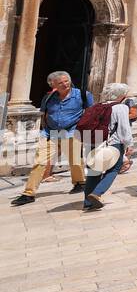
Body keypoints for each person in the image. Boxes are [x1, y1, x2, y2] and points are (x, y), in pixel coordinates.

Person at [12, 71, 92, 206]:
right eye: (60, 83)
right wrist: (44, 130)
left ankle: (79, 182)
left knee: (76, 160)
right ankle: (28, 193)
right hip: (50, 132)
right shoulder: (48, 98)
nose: (65, 84)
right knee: (40, 161)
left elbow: (90, 112)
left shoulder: (83, 95)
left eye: (67, 81)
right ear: (52, 85)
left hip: (72, 131)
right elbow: (45, 114)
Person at [82, 86, 137, 212]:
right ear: (121, 96)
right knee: (115, 168)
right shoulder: (121, 107)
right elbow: (124, 128)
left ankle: (88, 202)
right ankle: (97, 193)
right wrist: (129, 144)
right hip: (112, 143)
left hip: (93, 141)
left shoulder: (96, 106)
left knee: (94, 171)